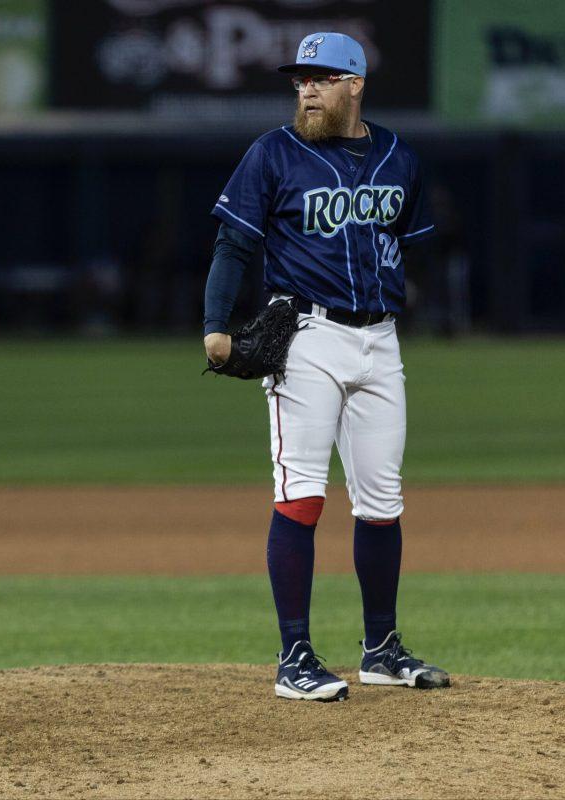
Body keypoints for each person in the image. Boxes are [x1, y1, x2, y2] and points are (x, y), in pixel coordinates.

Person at [203, 32, 450, 702]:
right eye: (299, 80)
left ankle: (381, 649)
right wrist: (216, 326)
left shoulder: (399, 156)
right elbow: (233, 243)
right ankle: (294, 658)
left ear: (354, 85)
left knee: (381, 501)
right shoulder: (273, 153)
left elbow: (413, 247)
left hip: (380, 342)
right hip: (305, 336)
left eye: (320, 77)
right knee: (302, 495)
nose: (305, 89)